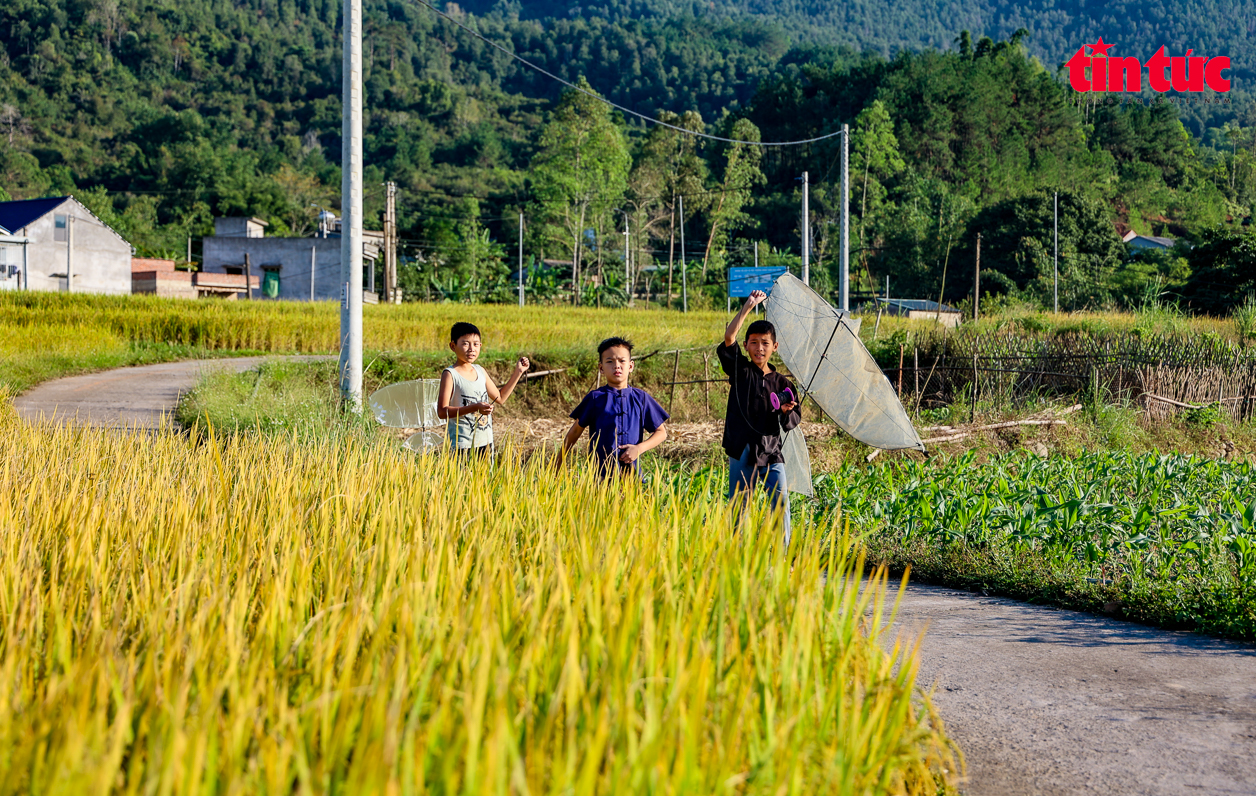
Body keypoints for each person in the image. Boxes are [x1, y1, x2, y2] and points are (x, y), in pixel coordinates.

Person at [718, 289, 801, 545]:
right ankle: (736, 556)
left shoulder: (783, 383)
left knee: (781, 505)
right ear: (746, 346)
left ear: (774, 347)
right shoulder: (740, 370)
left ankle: (782, 556)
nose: (759, 348)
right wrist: (749, 305)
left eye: (765, 343)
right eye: (753, 342)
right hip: (742, 449)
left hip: (771, 451)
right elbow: (729, 337)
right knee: (739, 507)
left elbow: (793, 420)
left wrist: (787, 412)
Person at [561, 336, 669, 477]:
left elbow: (661, 433)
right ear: (601, 368)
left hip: (632, 477)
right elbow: (575, 432)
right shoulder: (595, 398)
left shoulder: (641, 398)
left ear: (630, 366)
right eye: (610, 361)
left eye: (622, 361)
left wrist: (639, 448)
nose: (616, 366)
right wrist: (558, 463)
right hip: (600, 479)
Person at [436, 321, 530, 459]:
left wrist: (518, 372)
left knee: (486, 480)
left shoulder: (480, 371)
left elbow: (500, 398)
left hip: (485, 442)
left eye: (475, 344)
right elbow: (442, 412)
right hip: (463, 444)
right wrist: (474, 407)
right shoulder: (450, 374)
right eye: (465, 343)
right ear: (453, 346)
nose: (471, 349)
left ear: (480, 346)